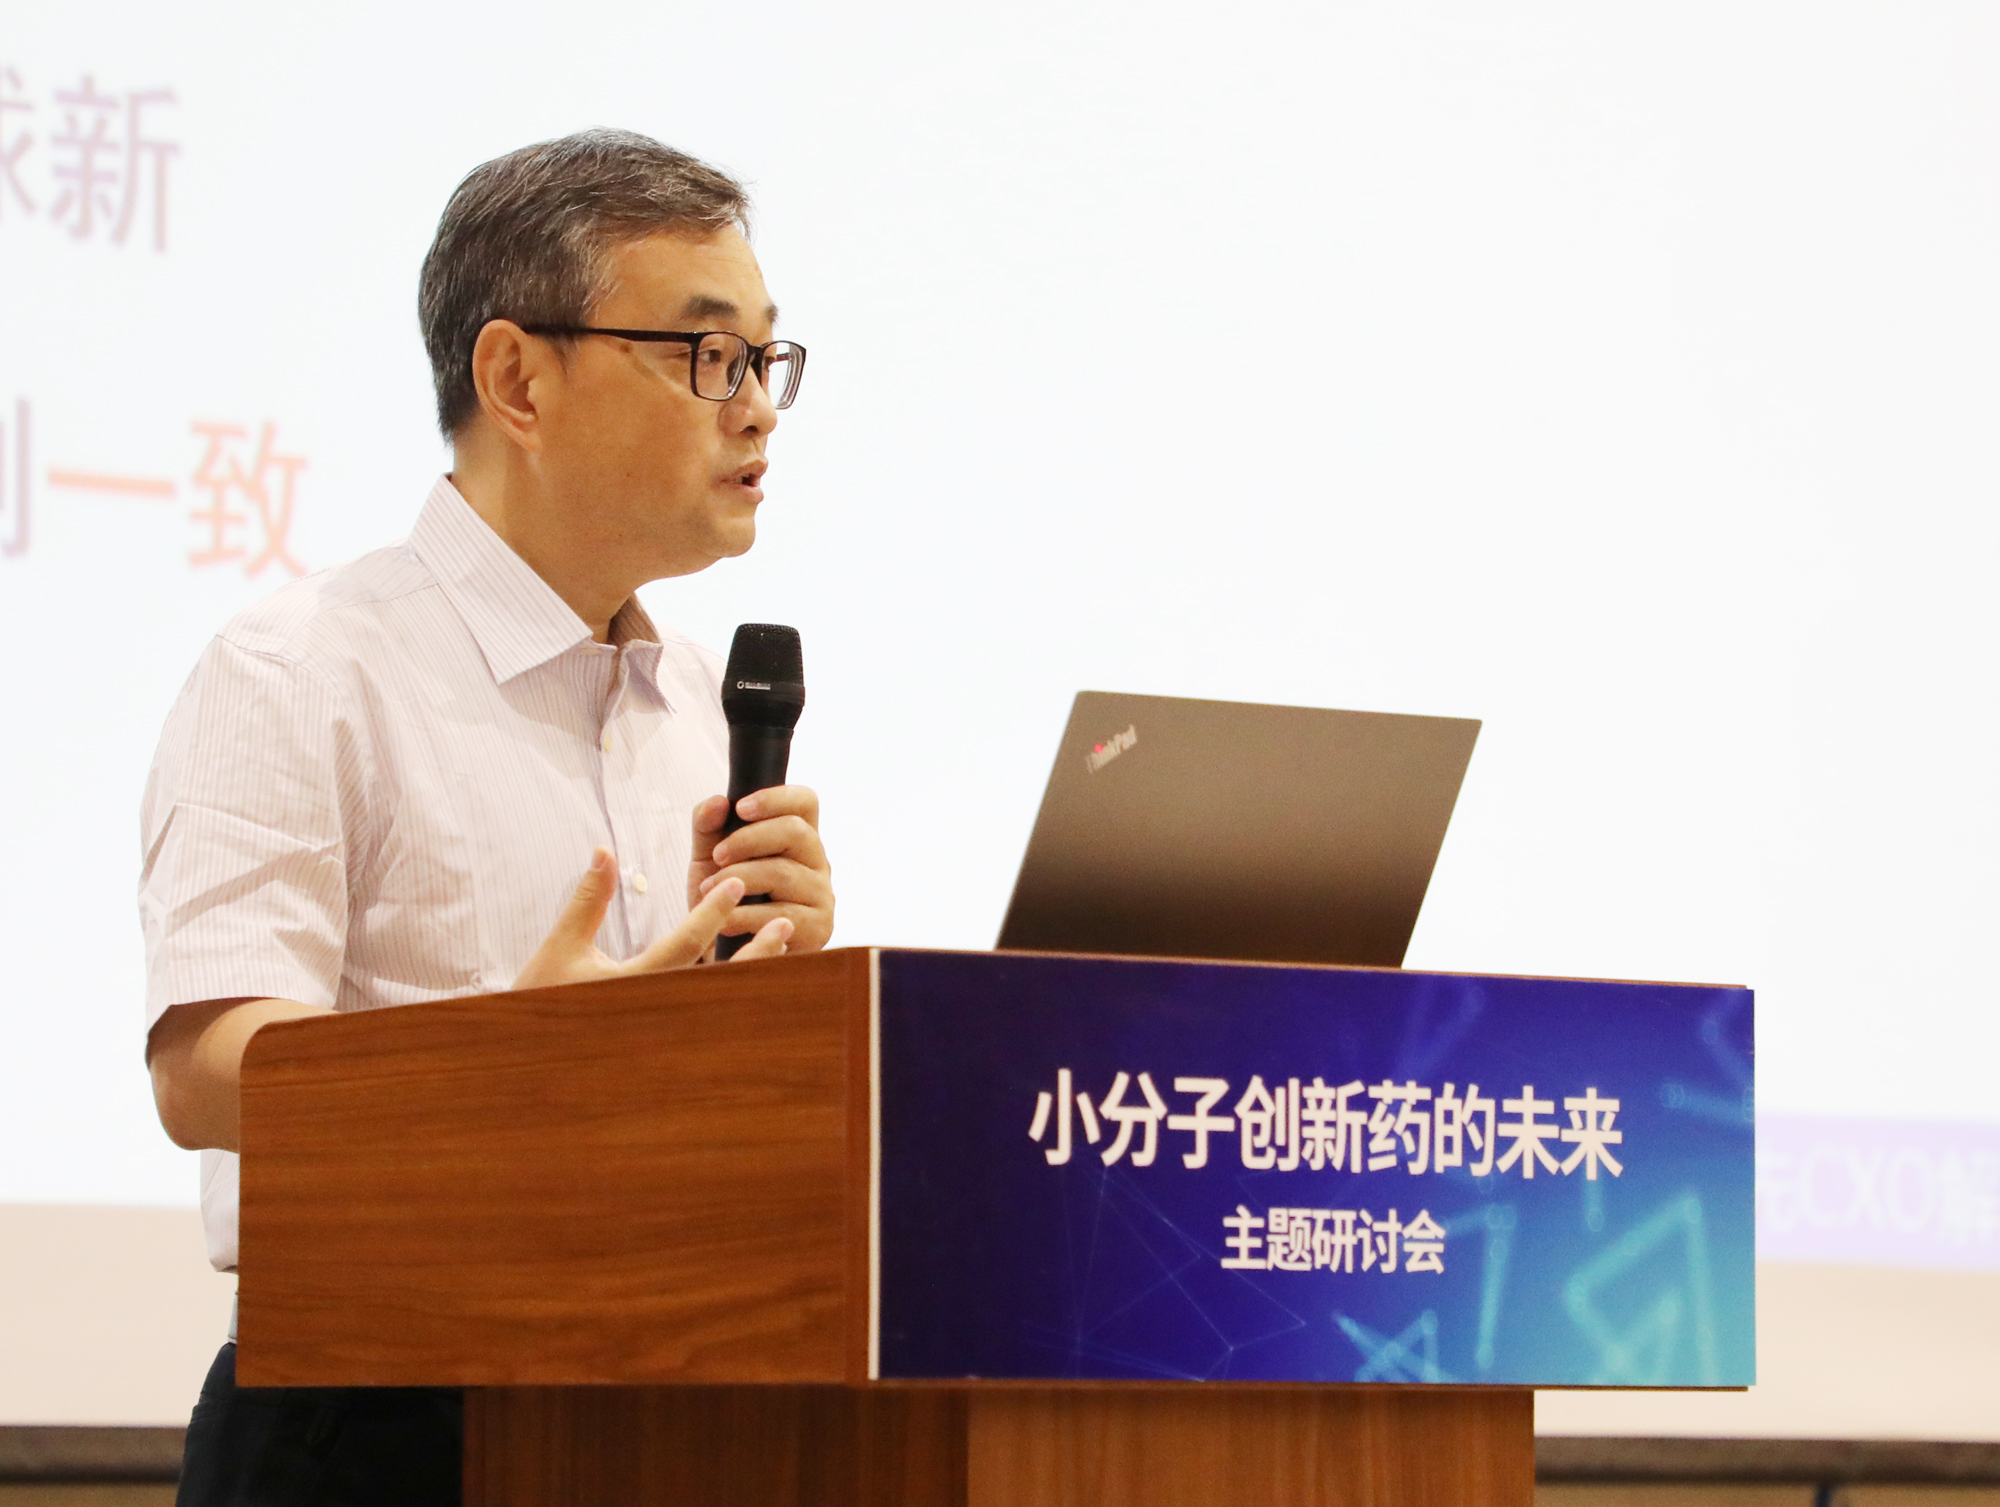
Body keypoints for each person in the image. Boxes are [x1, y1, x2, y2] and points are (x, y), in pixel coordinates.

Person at [139, 130, 834, 1507]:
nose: (757, 409)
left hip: (674, 1405)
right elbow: (202, 1070)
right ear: (517, 378)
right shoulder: (304, 667)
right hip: (378, 1424)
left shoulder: (703, 702)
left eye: (768, 360)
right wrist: (499, 1065)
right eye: (709, 355)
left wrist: (786, 1006)